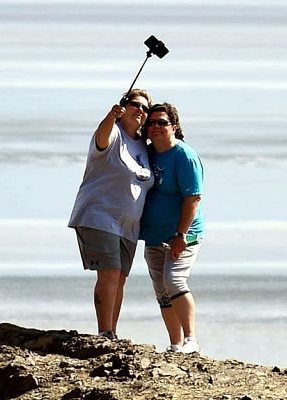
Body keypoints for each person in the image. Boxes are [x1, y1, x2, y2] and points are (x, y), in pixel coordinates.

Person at [68, 89, 154, 340]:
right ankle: (104, 332)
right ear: (123, 107)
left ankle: (112, 332)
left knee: (121, 279)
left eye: (145, 108)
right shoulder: (113, 132)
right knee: (110, 273)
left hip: (128, 226)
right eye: (135, 105)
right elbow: (101, 138)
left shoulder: (142, 145)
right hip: (99, 216)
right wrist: (110, 116)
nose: (140, 110)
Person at [140, 102, 205, 353]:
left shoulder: (184, 155)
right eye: (152, 123)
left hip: (182, 235)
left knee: (174, 280)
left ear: (174, 127)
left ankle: (191, 340)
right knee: (162, 291)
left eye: (162, 122)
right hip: (154, 235)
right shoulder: (147, 152)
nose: (156, 127)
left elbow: (193, 199)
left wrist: (180, 235)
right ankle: (175, 344)